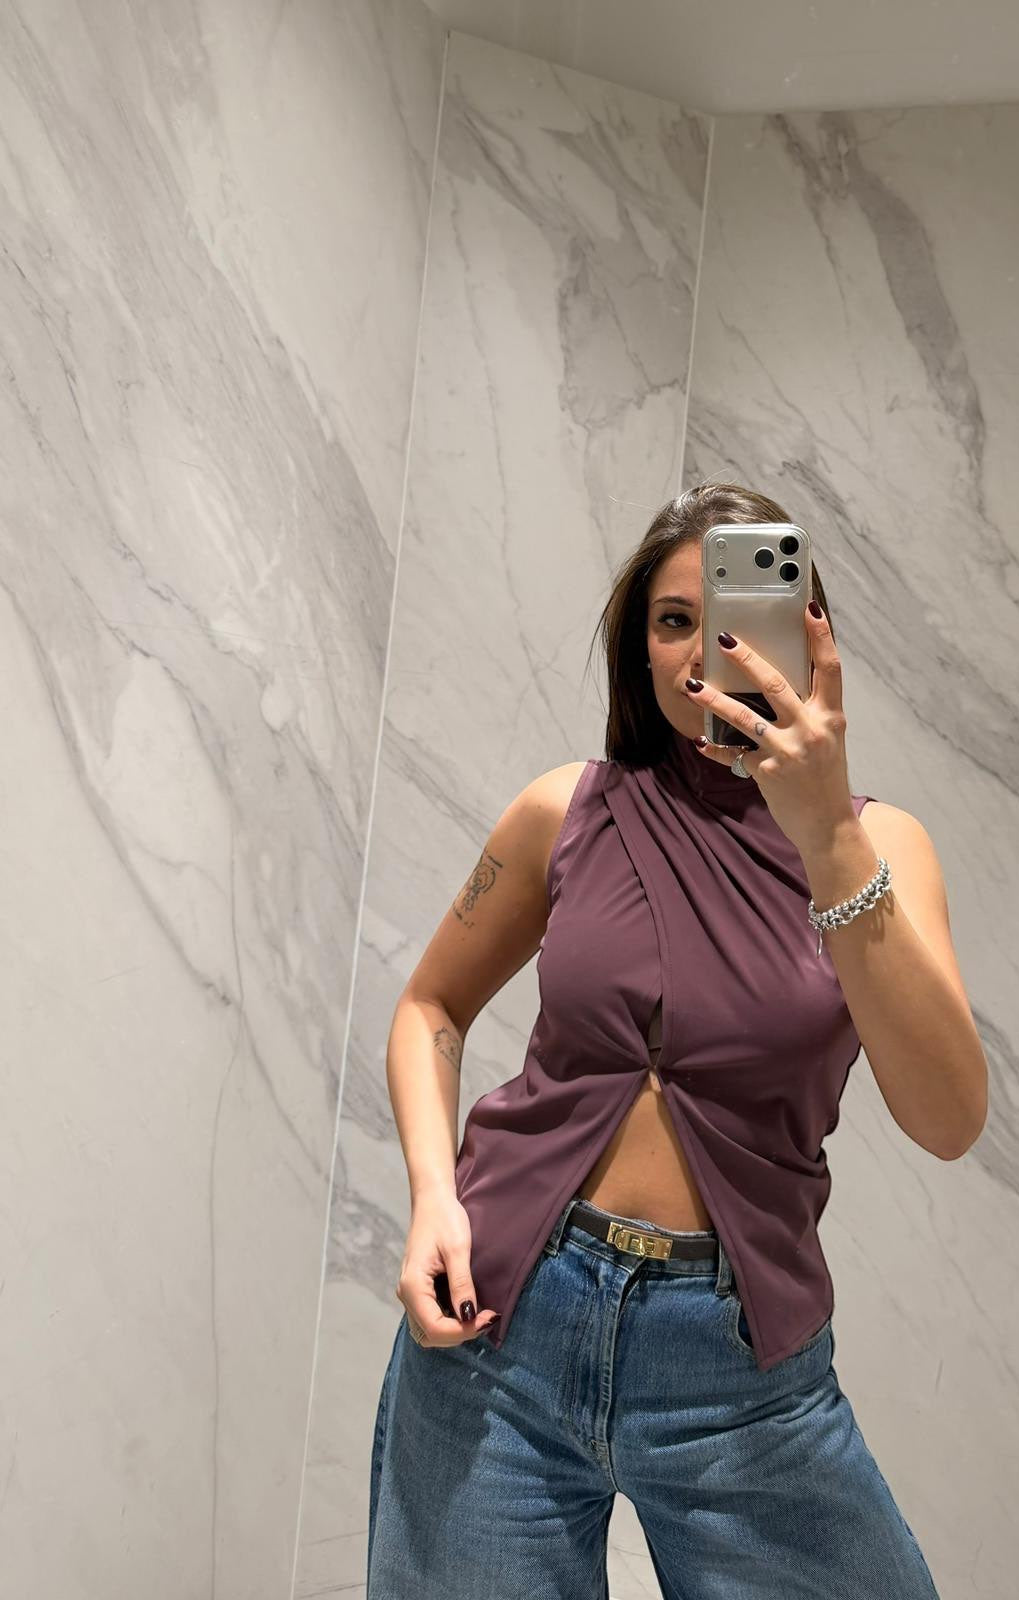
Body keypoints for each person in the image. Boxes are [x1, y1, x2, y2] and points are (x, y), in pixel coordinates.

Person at [366, 482, 987, 1598]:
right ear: (639, 651)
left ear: (808, 637)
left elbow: (948, 1119)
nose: (706, 652)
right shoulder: (568, 809)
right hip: (500, 1320)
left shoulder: (881, 847)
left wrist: (827, 836)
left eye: (740, 619)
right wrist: (430, 1198)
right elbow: (431, 1008)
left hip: (735, 1369)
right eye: (672, 620)